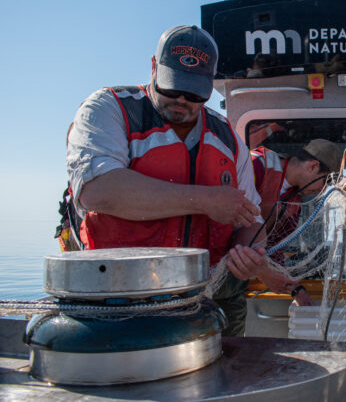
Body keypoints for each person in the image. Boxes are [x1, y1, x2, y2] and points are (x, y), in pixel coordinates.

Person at [66, 25, 294, 337]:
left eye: (195, 93)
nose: (182, 101)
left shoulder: (226, 136)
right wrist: (205, 200)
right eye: (172, 88)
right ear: (153, 67)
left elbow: (251, 217)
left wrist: (250, 252)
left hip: (207, 300)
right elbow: (97, 190)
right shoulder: (109, 108)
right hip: (118, 300)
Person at [250, 139, 343, 305]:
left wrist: (297, 291)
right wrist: (262, 272)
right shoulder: (255, 165)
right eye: (326, 181)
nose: (323, 190)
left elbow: (276, 250)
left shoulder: (295, 202)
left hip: (237, 281)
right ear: (312, 166)